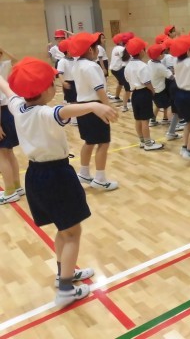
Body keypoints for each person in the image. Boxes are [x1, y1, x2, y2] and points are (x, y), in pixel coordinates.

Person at [0, 57, 117, 307]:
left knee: (64, 230)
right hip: (57, 175)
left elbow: (7, 89)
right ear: (45, 90)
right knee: (73, 232)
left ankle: (65, 272)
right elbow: (67, 111)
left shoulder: (18, 106)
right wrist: (95, 106)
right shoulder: (45, 113)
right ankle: (65, 290)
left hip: (35, 175)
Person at [70, 32, 119, 191]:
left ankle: (84, 173)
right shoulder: (91, 66)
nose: (99, 48)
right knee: (103, 143)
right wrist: (108, 107)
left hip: (82, 107)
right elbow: (99, 89)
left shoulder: (76, 64)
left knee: (89, 141)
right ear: (91, 50)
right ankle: (100, 179)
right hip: (95, 107)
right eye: (96, 46)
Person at [124, 38, 164, 151]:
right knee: (145, 120)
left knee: (138, 119)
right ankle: (148, 144)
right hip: (143, 94)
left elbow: (127, 79)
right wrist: (153, 91)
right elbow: (147, 82)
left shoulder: (128, 65)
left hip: (134, 94)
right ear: (141, 51)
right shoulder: (142, 66)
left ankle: (142, 141)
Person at [0, 47, 22, 205]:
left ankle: (9, 192)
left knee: (2, 155)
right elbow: (15, 59)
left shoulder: (4, 66)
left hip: (2, 114)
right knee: (9, 152)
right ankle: (17, 187)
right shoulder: (4, 65)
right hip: (9, 111)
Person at [147, 43, 174, 127]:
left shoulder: (149, 62)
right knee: (169, 106)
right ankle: (173, 126)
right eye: (163, 53)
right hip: (160, 90)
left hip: (152, 90)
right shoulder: (160, 67)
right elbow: (171, 76)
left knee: (157, 105)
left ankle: (153, 120)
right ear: (159, 55)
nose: (164, 54)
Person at [109, 33, 131, 109]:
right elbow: (126, 59)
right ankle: (125, 104)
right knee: (127, 87)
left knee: (120, 83)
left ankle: (117, 97)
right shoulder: (122, 49)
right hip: (119, 69)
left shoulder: (115, 48)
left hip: (113, 69)